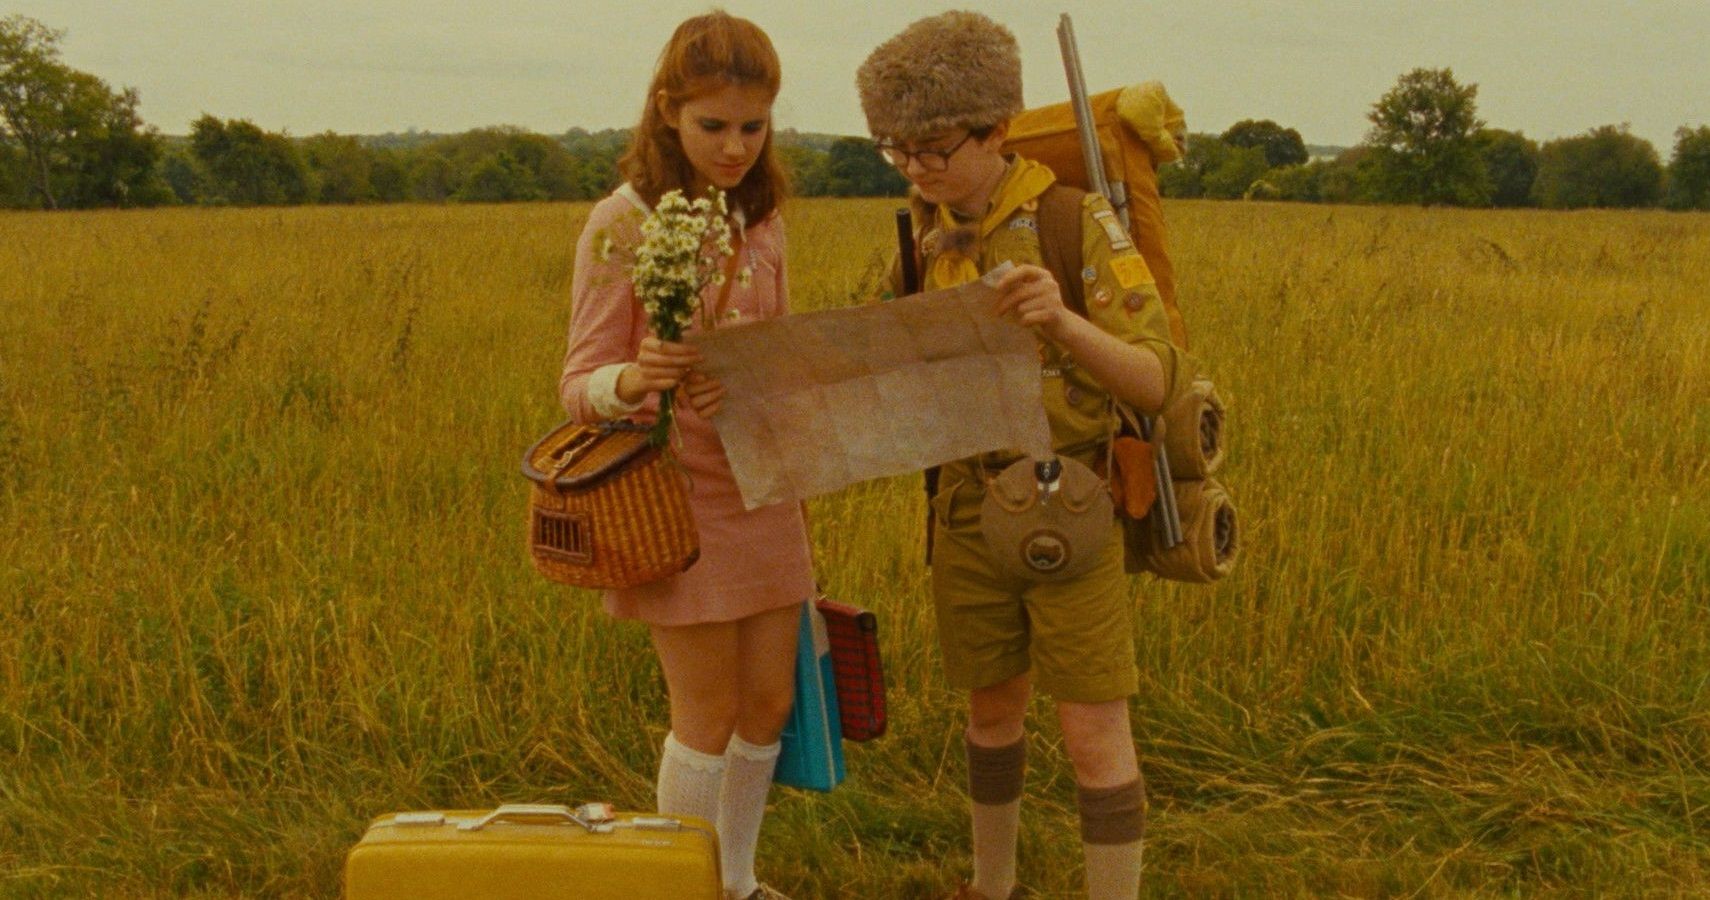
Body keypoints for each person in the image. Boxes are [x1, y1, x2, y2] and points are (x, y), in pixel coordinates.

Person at [857, 12, 1192, 900]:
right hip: (966, 508)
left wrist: (1061, 320)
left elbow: (1156, 380)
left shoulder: (1071, 221)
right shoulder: (919, 238)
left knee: (1092, 729)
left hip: (1069, 506)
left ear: (996, 129)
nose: (919, 169)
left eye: (934, 148)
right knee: (991, 708)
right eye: (899, 152)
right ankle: (990, 885)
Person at [559, 12, 809, 900]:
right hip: (676, 496)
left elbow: (781, 354)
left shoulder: (767, 216)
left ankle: (735, 880)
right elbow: (577, 382)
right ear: (668, 111)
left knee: (767, 706)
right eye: (714, 126)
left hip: (765, 482)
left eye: (754, 125)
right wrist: (639, 376)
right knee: (704, 715)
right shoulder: (621, 220)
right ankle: (684, 890)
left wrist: (750, 371)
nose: (736, 146)